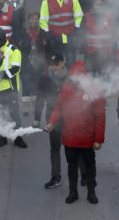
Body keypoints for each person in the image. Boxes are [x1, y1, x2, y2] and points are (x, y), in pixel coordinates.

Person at [45, 59, 106, 205]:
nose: (72, 79)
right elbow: (58, 109)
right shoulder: (66, 88)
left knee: (90, 167)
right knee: (71, 166)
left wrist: (99, 139)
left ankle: (92, 192)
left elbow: (100, 118)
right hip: (69, 137)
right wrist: (51, 123)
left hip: (87, 138)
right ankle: (73, 192)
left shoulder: (94, 90)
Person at [34, 53, 69, 190]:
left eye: (56, 65)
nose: (54, 68)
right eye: (52, 65)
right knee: (55, 148)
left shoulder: (70, 77)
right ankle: (56, 177)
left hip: (69, 117)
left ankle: (83, 174)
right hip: (52, 118)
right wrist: (37, 118)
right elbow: (40, 98)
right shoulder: (44, 78)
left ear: (63, 64)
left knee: (74, 148)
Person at [0, 27, 26, 148]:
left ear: (0, 39)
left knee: (14, 115)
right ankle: (2, 137)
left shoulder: (14, 50)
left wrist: (1, 75)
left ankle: (18, 138)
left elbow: (15, 68)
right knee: (0, 114)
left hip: (10, 88)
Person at [38, 0, 83, 67]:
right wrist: (47, 33)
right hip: (54, 38)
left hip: (69, 36)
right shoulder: (46, 1)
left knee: (71, 63)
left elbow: (79, 15)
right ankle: (59, 80)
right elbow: (43, 19)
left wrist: (77, 29)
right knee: (58, 64)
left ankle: (70, 80)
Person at [83, 0, 114, 75]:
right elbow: (82, 33)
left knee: (105, 77)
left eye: (100, 5)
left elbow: (115, 34)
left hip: (106, 55)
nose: (98, 7)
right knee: (92, 79)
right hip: (91, 54)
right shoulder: (87, 17)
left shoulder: (110, 18)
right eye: (96, 4)